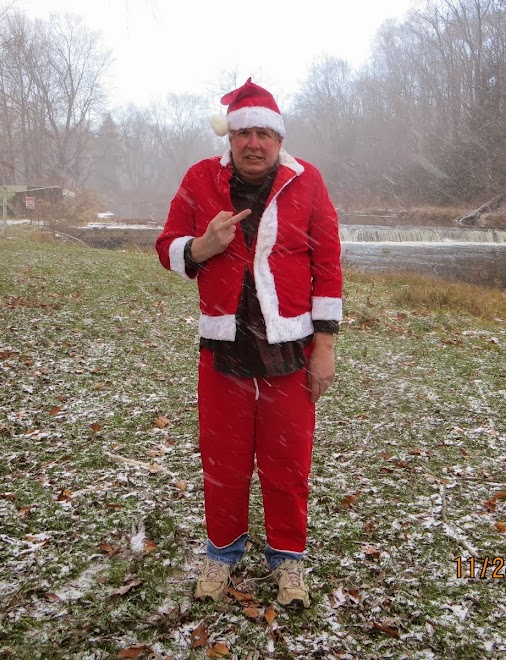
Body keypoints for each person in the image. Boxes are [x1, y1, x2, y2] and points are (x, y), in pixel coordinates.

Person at [155, 78, 343, 608]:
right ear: (230, 138)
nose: (253, 143)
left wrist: (325, 345)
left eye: (264, 133)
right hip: (224, 344)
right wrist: (202, 245)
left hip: (290, 346)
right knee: (223, 458)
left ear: (279, 141)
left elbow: (328, 265)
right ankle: (223, 552)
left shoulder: (308, 182)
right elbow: (166, 248)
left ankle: (287, 559)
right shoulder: (200, 179)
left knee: (288, 460)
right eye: (244, 133)